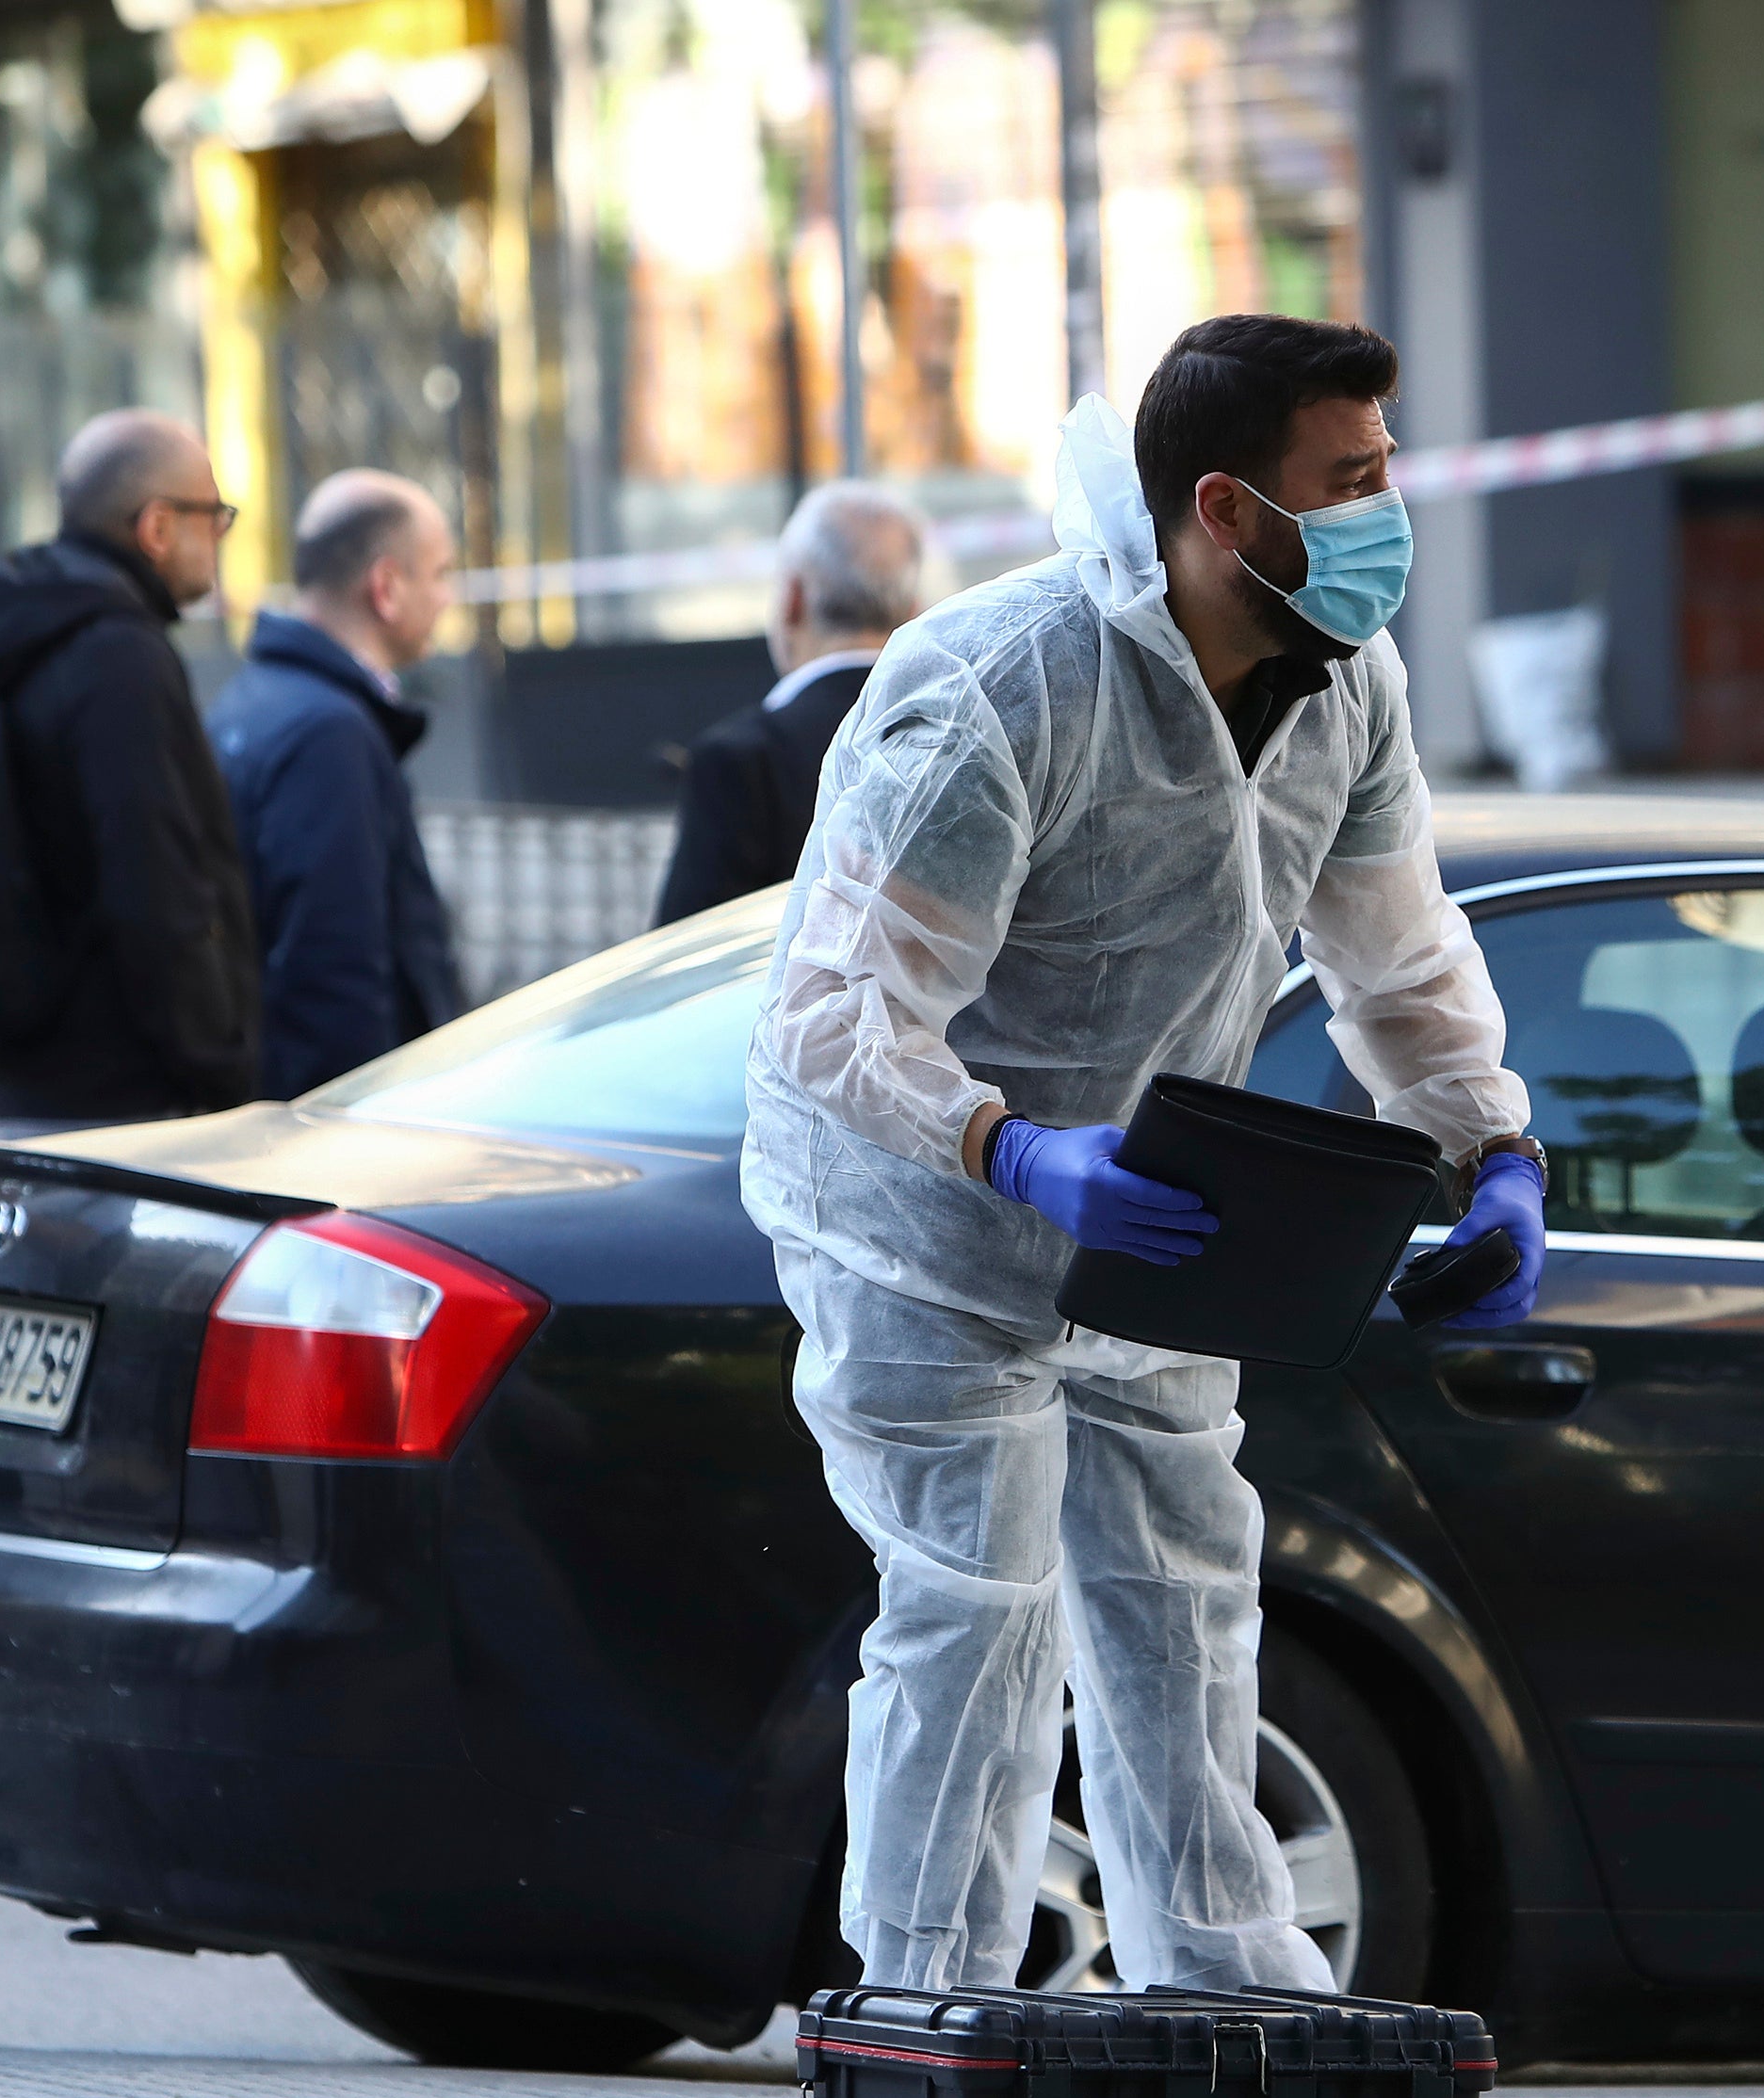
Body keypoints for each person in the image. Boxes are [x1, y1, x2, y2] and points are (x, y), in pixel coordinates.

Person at [740, 314, 1550, 1995]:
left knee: (1187, 1592)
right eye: (1356, 480)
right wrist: (1009, 1150)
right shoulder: (1001, 689)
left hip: (1152, 1224)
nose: (1391, 509)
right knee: (977, 1609)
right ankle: (925, 2017)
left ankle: (1233, 2004)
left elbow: (1396, 958)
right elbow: (838, 1014)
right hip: (922, 1229)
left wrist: (1490, 1148)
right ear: (1228, 510)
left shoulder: (1349, 690)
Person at [0, 410, 258, 1139]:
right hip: (120, 1111)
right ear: (157, 528)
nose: (219, 538)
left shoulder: (10, 632)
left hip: (15, 1086)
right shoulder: (121, 659)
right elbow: (156, 885)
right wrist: (222, 1068)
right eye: (214, 516)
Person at [211, 470, 470, 1097]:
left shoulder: (253, 701)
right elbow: (334, 973)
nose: (447, 598)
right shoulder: (328, 733)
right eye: (438, 574)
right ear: (385, 586)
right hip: (340, 1136)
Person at [652, 481, 927, 927]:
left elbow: (681, 971)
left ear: (792, 601)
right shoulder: (956, 739)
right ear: (915, 611)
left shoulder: (740, 762)